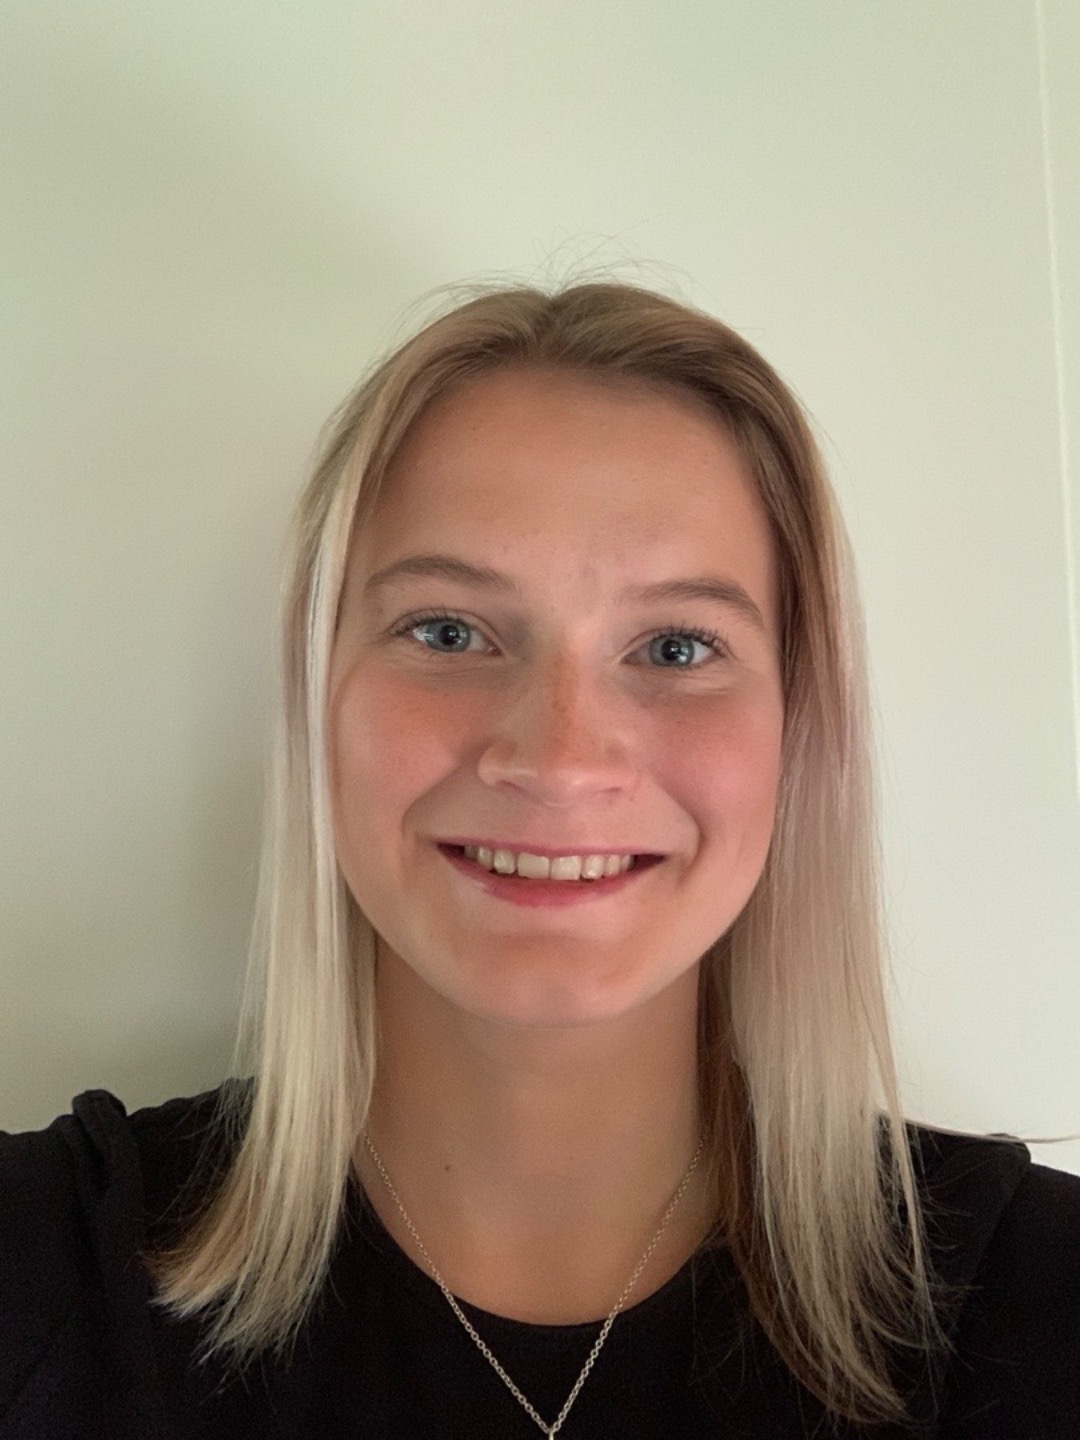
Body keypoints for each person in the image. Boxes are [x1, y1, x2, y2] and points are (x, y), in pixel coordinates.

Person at [2, 281, 1078, 1440]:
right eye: (448, 631)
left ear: (797, 725)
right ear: (316, 696)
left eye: (677, 647)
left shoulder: (1038, 1302)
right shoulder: (43, 1267)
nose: (559, 761)